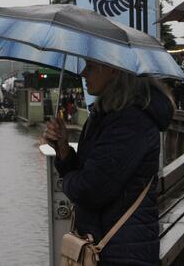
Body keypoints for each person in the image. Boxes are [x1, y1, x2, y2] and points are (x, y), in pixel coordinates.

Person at [44, 60, 173, 264]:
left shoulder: (130, 123)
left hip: (121, 252)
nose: (84, 73)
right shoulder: (107, 115)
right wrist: (63, 149)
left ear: (113, 69)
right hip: (108, 245)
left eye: (91, 67)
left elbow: (91, 189)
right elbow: (93, 173)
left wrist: (68, 180)